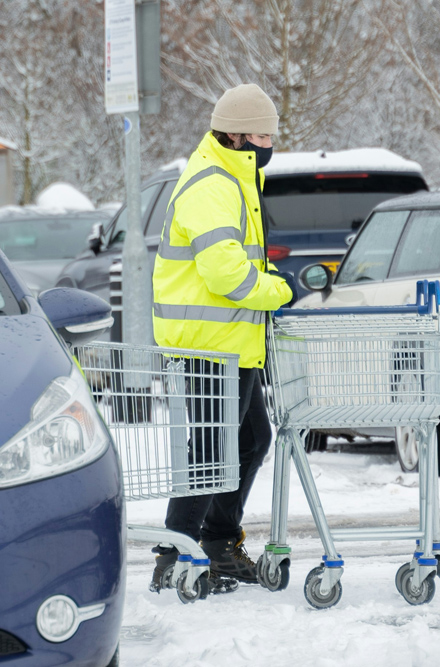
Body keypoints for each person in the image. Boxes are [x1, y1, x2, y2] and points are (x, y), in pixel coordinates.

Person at [150, 83, 297, 591]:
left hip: (233, 343)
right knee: (213, 451)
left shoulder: (237, 178)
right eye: (261, 134)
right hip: (207, 346)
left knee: (251, 439)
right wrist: (278, 290)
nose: (269, 144)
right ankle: (176, 554)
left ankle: (216, 542)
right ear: (234, 135)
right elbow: (227, 277)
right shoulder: (212, 185)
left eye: (271, 135)